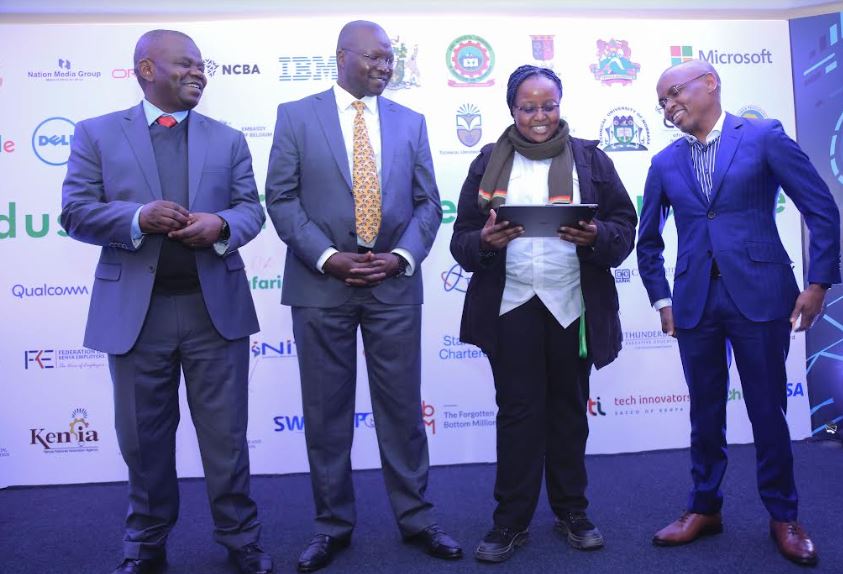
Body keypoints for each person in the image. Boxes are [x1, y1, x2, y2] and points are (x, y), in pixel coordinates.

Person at [60, 30, 272, 574]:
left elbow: (252, 209)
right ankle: (145, 545)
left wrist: (221, 223)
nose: (199, 72)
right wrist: (136, 218)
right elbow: (75, 212)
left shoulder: (228, 140)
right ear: (146, 69)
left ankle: (241, 540)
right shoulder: (96, 134)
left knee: (225, 440)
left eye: (202, 65)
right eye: (185, 64)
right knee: (142, 441)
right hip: (137, 316)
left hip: (213, 313)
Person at [264, 20, 461, 573]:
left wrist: (402, 257)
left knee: (401, 410)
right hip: (320, 284)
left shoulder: (411, 122)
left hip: (393, 285)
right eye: (374, 57)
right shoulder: (295, 116)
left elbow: (428, 203)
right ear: (342, 56)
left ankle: (417, 520)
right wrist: (328, 257)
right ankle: (332, 527)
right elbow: (279, 198)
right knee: (326, 414)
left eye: (390, 59)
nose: (384, 66)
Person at [636, 59, 840, 567]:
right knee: (704, 412)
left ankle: (784, 516)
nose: (668, 105)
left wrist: (818, 284)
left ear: (710, 83)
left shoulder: (765, 136)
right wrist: (663, 298)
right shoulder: (663, 163)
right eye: (661, 101)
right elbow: (648, 241)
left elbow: (820, 208)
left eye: (674, 92)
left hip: (763, 296)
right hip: (694, 303)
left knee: (767, 410)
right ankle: (704, 508)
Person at [450, 65, 637, 563]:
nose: (539, 116)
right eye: (528, 107)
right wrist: (485, 242)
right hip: (511, 307)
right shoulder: (488, 162)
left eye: (548, 106)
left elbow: (623, 225)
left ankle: (572, 512)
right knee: (518, 416)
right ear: (512, 109)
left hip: (571, 305)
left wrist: (597, 237)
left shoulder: (591, 159)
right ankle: (509, 522)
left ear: (561, 104)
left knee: (569, 414)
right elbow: (462, 240)